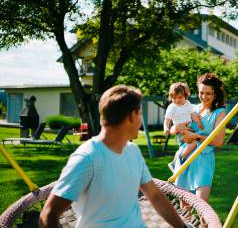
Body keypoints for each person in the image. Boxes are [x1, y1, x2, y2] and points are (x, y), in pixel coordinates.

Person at [39, 85, 187, 228]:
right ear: (131, 116)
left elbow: (155, 196)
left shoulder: (133, 151)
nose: (141, 120)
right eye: (140, 114)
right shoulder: (88, 158)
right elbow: (48, 215)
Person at [170, 73, 226, 204]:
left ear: (215, 94)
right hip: (185, 157)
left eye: (208, 94)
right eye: (201, 93)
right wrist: (176, 128)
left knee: (202, 207)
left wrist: (197, 136)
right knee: (185, 208)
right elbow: (174, 128)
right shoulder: (191, 108)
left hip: (203, 160)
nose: (204, 97)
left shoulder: (219, 113)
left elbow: (219, 142)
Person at [164, 82, 203, 170]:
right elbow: (167, 120)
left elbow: (192, 114)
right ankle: (178, 161)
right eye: (174, 98)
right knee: (194, 143)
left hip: (189, 128)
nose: (177, 100)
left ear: (185, 96)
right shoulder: (172, 107)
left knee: (186, 146)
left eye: (180, 97)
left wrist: (198, 123)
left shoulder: (188, 104)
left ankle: (176, 162)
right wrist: (166, 128)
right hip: (180, 131)